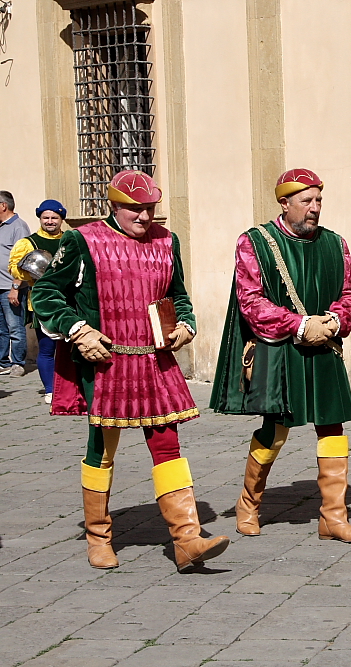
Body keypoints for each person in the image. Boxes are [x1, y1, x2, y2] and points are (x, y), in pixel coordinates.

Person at [31, 170, 230, 572]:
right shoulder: (82, 240)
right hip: (106, 362)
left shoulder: (166, 240)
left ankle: (187, 538)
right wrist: (77, 329)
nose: (144, 216)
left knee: (167, 442)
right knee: (102, 448)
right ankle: (99, 536)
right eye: (134, 209)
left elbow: (178, 294)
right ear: (114, 205)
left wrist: (186, 324)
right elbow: (46, 291)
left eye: (150, 208)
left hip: (155, 361)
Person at [211, 168, 351, 543]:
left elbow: (349, 293)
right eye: (306, 201)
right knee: (275, 428)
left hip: (325, 345)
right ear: (285, 203)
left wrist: (333, 320)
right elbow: (250, 301)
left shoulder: (336, 243)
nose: (314, 208)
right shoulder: (254, 242)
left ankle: (333, 516)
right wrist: (300, 325)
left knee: (332, 425)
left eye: (318, 200)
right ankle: (249, 503)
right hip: (279, 347)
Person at [8, 199, 66, 402]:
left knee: (69, 350)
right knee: (48, 347)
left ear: (61, 219)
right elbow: (14, 267)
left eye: (54, 218)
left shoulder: (70, 239)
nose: (50, 221)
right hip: (42, 301)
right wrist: (29, 273)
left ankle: (69, 387)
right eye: (46, 217)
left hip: (70, 301)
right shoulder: (28, 243)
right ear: (40, 218)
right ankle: (50, 389)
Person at [0, 190, 30, 377]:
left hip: (10, 287)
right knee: (1, 328)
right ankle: (3, 362)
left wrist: (15, 287)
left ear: (3, 206)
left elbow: (23, 260)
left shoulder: (19, 227)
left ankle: (18, 363)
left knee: (15, 327)